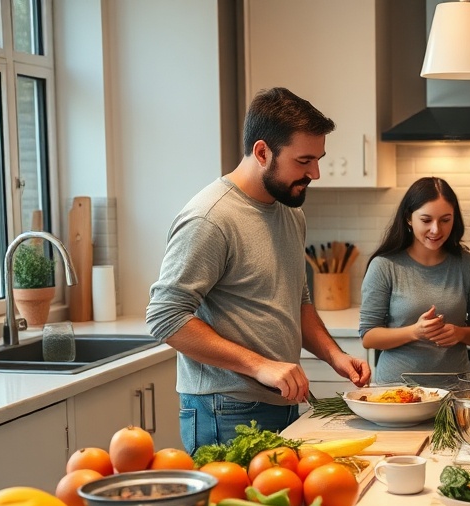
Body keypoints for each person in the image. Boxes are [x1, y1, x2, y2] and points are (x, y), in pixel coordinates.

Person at [146, 87, 371, 455]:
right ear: (263, 152)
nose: (315, 172)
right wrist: (260, 366)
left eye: (318, 159)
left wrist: (334, 356)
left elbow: (297, 300)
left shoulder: (290, 212)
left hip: (281, 400)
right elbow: (164, 317)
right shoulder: (210, 218)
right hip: (226, 409)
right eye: (303, 161)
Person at [359, 177, 470, 382]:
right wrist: (415, 332)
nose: (436, 229)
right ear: (409, 218)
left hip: (453, 391)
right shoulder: (384, 266)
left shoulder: (468, 265)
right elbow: (369, 336)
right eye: (426, 220)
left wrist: (460, 333)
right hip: (396, 390)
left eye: (445, 220)